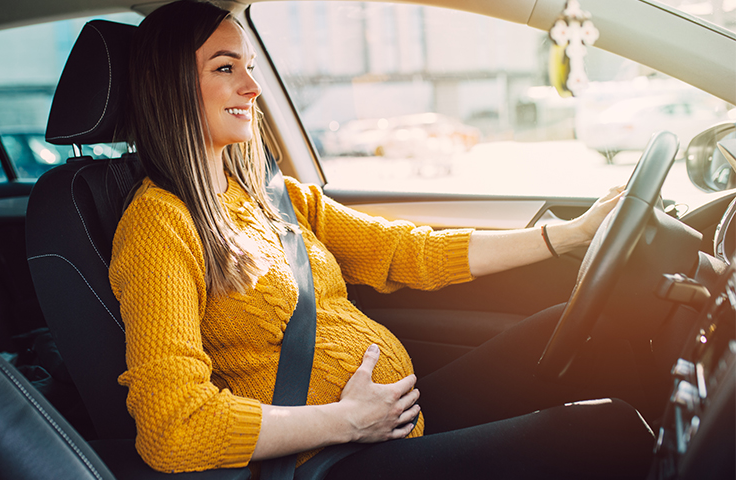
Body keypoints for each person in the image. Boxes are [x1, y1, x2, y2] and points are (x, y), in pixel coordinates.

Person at [110, 1, 654, 478]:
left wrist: (568, 235)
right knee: (605, 434)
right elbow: (173, 426)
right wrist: (345, 421)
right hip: (332, 460)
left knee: (594, 329)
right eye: (225, 69)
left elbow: (406, 251)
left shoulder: (271, 195)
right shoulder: (159, 225)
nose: (252, 87)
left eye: (250, 66)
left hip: (392, 417)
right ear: (172, 86)